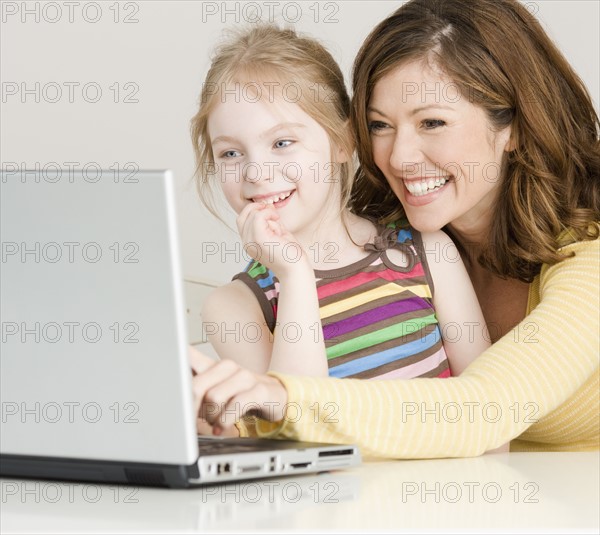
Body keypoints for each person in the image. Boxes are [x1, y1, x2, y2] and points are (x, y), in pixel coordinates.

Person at [189, 0, 599, 456]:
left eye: (433, 122)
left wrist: (284, 400)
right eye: (379, 125)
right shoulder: (411, 237)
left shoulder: (583, 262)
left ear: (513, 128)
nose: (399, 158)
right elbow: (293, 450)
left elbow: (486, 412)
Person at [191, 25, 492, 386]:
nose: (255, 172)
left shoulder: (426, 253)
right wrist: (294, 275)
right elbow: (301, 427)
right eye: (231, 153)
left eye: (282, 143)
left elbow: (488, 411)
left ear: (342, 141)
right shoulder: (235, 307)